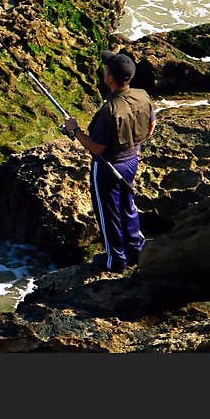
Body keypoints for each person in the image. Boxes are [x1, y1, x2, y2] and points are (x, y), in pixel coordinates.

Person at [63, 51, 156, 273]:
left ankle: (115, 261)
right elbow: (151, 127)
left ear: (111, 78)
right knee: (127, 204)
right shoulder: (142, 95)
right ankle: (136, 248)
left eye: (106, 69)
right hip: (132, 159)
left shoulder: (109, 110)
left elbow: (96, 148)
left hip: (108, 167)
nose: (103, 71)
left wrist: (74, 130)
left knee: (108, 213)